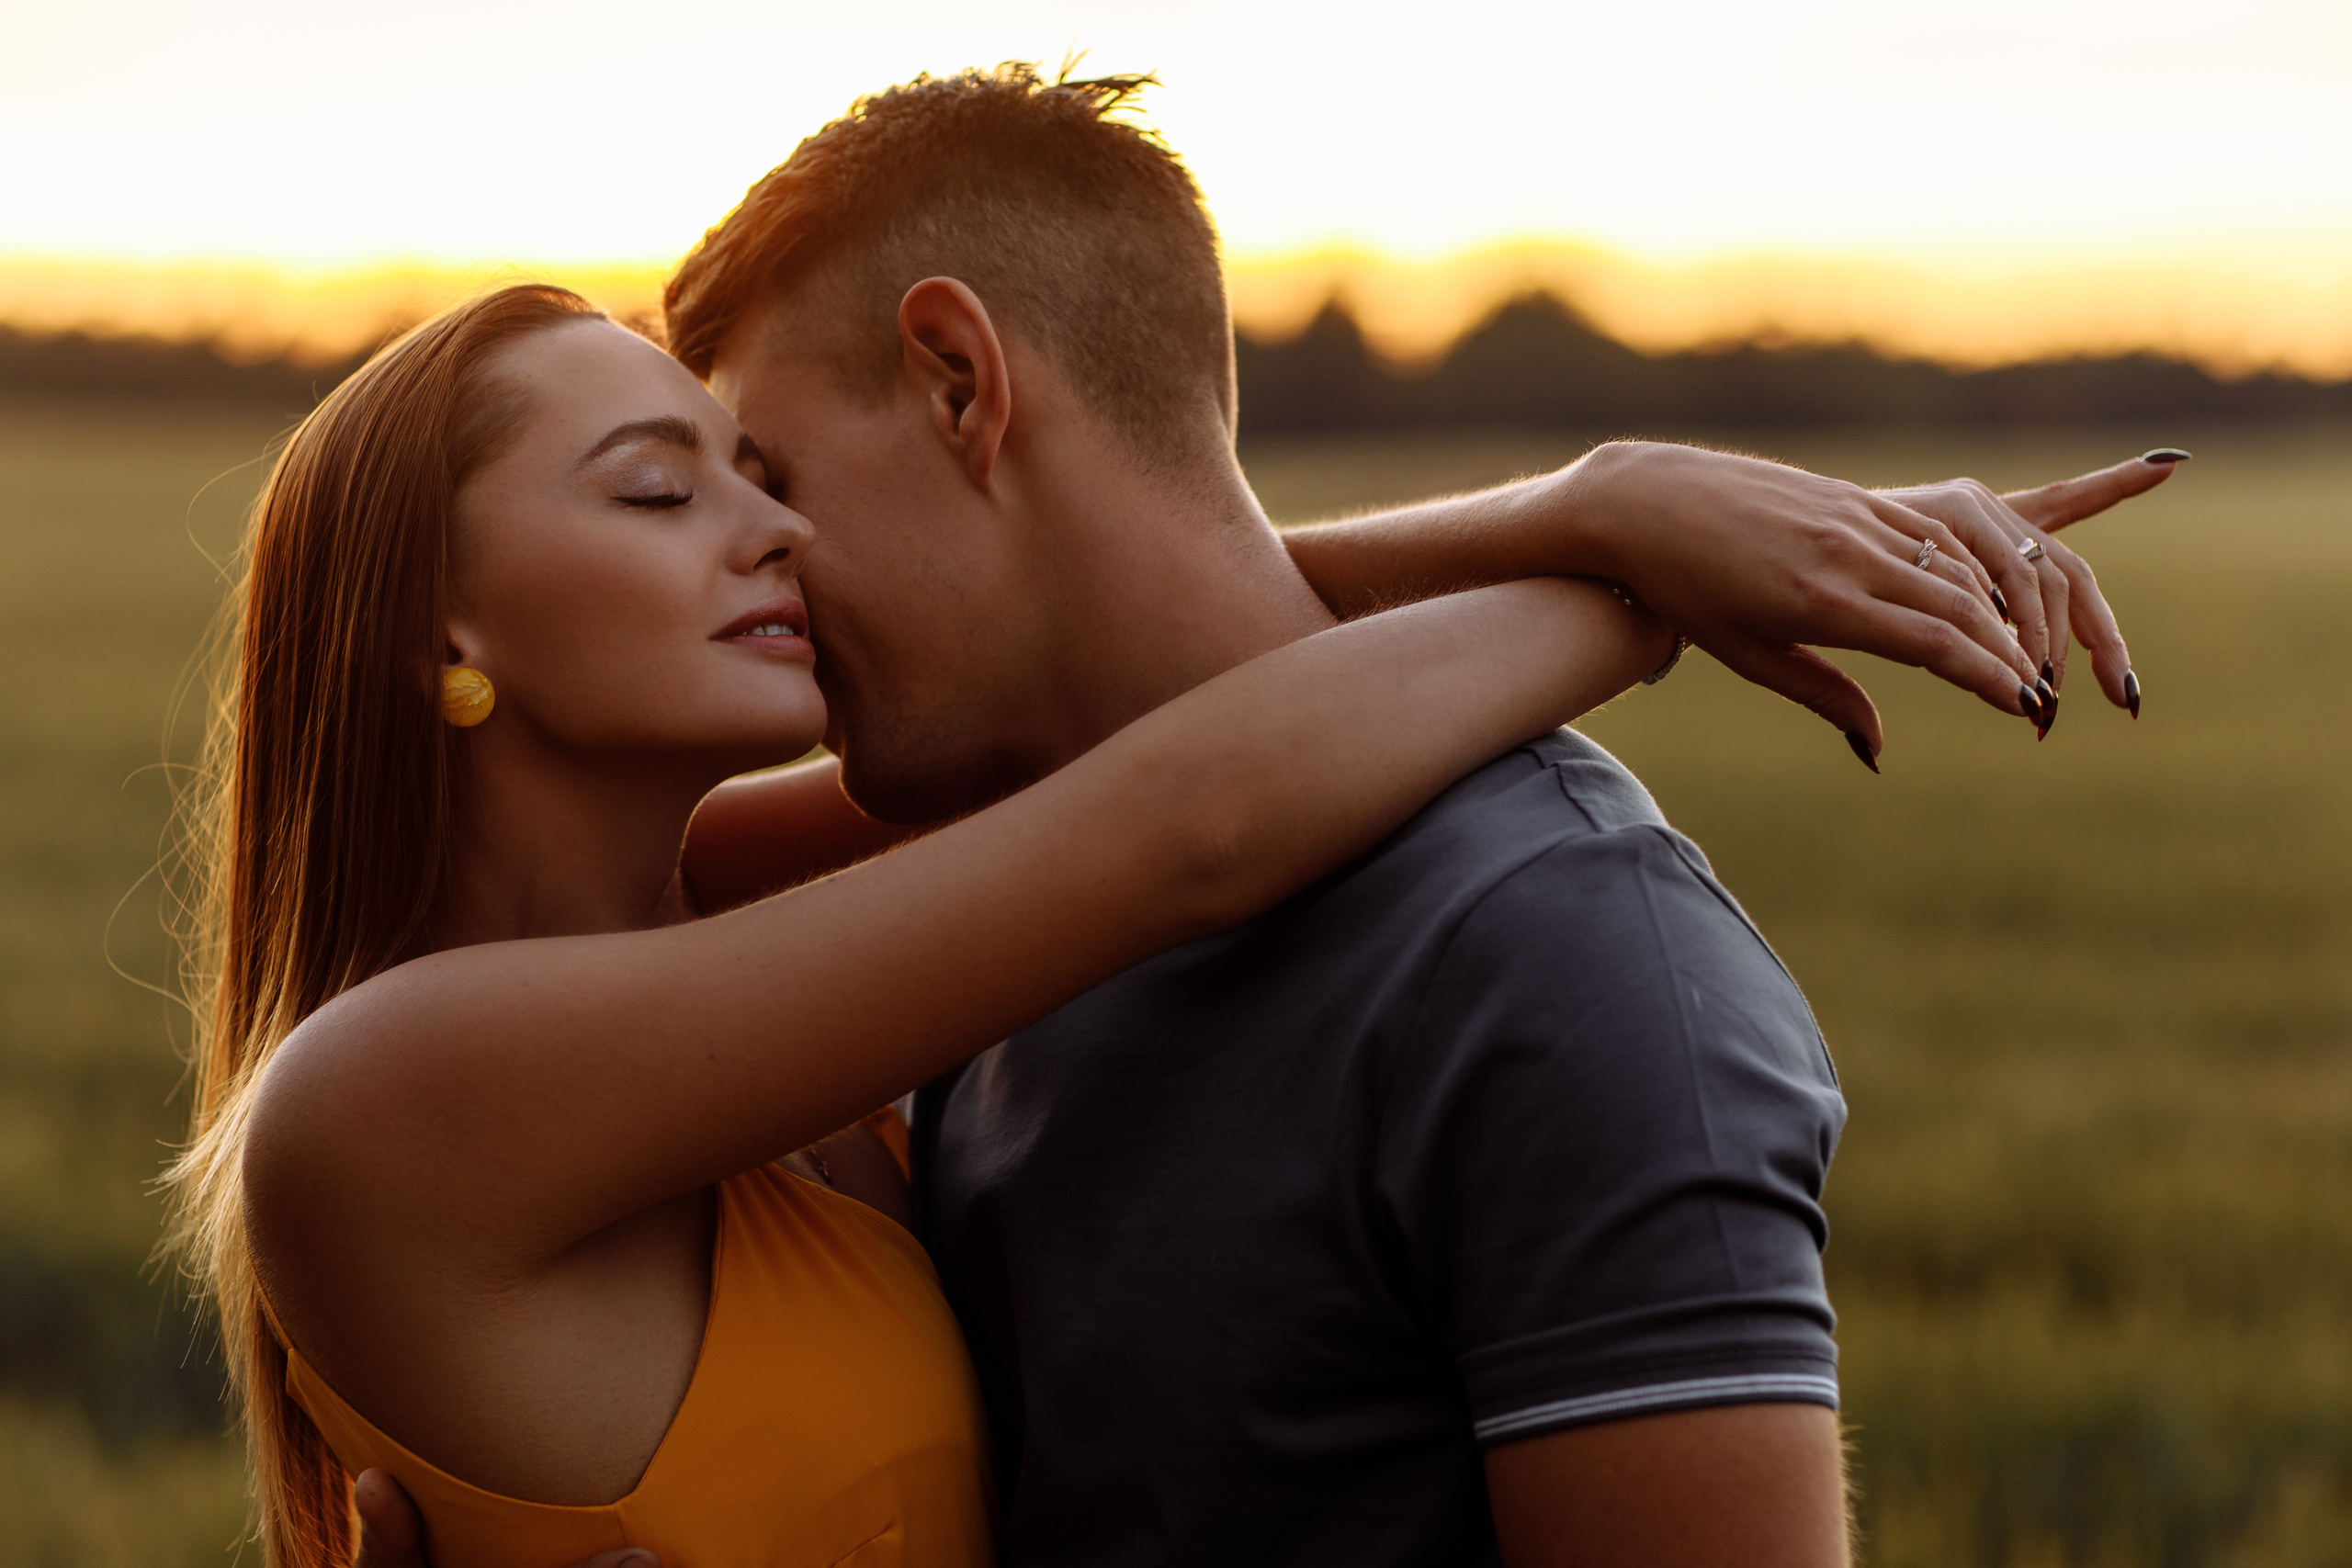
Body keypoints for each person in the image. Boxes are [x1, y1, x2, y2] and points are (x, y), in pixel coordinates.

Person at [345, 65, 2177, 1568]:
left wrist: (1613, 523)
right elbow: (1181, 790)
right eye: (681, 491)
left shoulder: (1554, 948)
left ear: (961, 381)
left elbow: (1183, 732)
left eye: (772, 473)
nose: (770, 554)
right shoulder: (981, 914)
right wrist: (1617, 548)